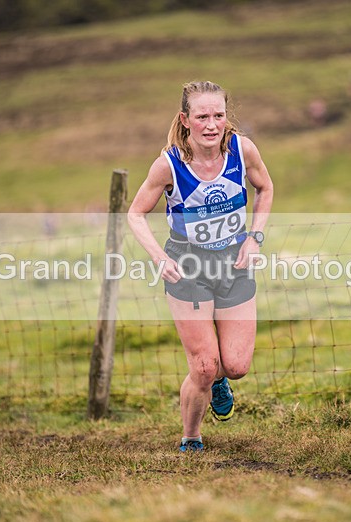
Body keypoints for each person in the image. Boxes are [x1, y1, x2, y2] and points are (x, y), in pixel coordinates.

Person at [128, 81, 274, 452]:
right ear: (186, 120)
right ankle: (191, 437)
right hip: (186, 267)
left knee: (236, 366)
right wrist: (159, 258)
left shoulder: (243, 150)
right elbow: (135, 213)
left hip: (233, 264)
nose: (212, 124)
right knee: (205, 368)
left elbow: (266, 188)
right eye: (202, 116)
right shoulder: (169, 165)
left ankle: (221, 380)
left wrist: (254, 238)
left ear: (227, 117)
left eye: (219, 116)